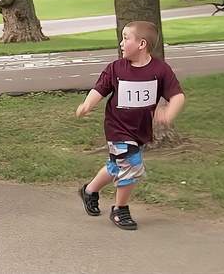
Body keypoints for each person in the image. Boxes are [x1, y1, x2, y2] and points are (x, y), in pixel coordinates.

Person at [75, 21, 185, 230]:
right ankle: (120, 209)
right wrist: (87, 105)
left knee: (118, 165)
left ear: (142, 44)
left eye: (126, 38)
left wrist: (169, 113)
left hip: (140, 130)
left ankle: (89, 190)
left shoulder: (160, 70)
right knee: (132, 165)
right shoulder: (116, 68)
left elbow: (177, 96)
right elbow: (99, 89)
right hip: (117, 128)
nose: (121, 43)